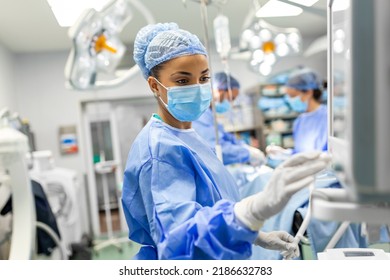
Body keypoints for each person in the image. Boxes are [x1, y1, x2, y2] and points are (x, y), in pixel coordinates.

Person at [121, 22, 330, 260]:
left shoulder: (186, 135)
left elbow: (208, 208)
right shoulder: (160, 150)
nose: (197, 88)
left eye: (204, 78)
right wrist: (249, 213)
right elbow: (178, 240)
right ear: (154, 86)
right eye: (182, 81)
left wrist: (254, 235)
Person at [192, 72, 265, 166]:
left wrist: (243, 146)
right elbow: (216, 148)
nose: (231, 103)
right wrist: (247, 154)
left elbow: (225, 137)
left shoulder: (210, 116)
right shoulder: (200, 116)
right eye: (231, 98)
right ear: (219, 90)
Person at [267, 68, 328, 160]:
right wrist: (284, 153)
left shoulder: (328, 117)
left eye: (292, 96)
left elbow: (330, 154)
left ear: (309, 92)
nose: (289, 100)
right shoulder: (299, 121)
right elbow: (301, 152)